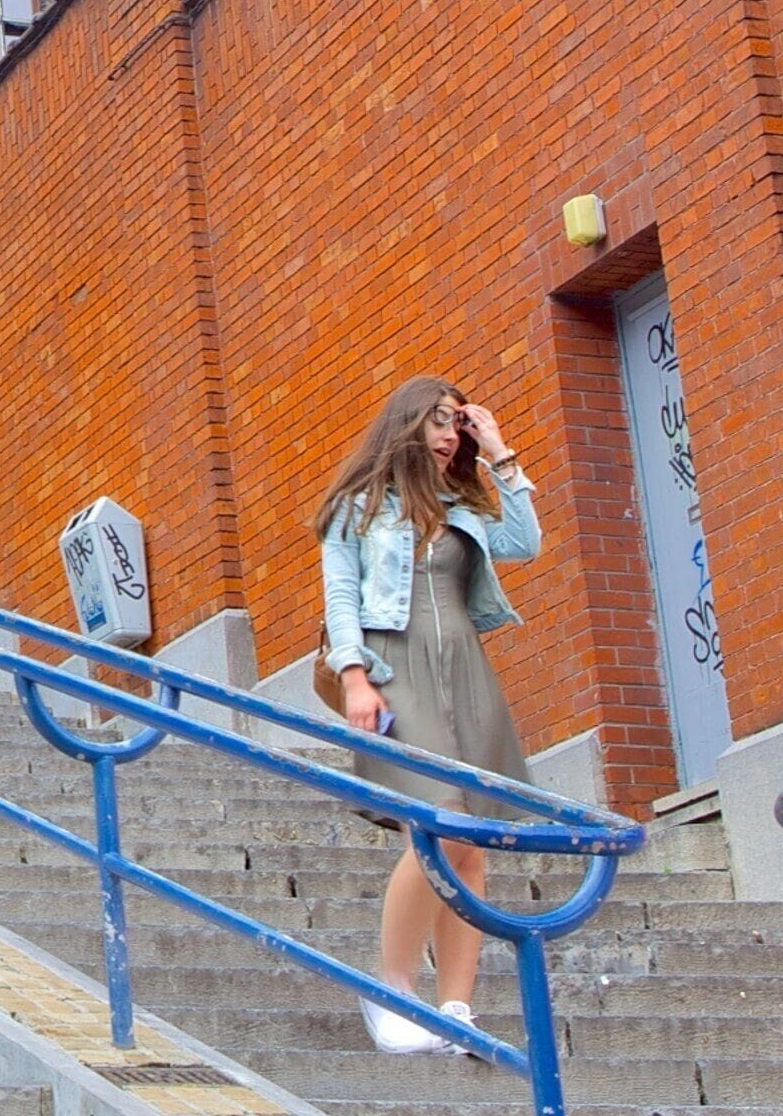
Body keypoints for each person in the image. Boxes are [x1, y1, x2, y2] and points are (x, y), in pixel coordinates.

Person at [317, 374, 540, 1055]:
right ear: (408, 425)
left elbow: (525, 544)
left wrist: (499, 452)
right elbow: (341, 593)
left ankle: (455, 1008)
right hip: (394, 671)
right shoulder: (358, 507)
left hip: (465, 674)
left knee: (471, 839)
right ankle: (392, 988)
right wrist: (354, 678)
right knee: (438, 827)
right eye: (439, 421)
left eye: (456, 423)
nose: (449, 435)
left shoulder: (461, 504)